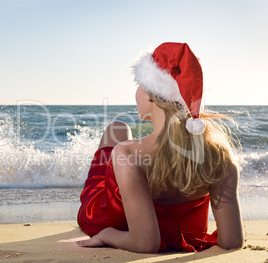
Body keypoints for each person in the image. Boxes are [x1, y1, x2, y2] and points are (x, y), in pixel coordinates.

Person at [76, 42, 245, 253]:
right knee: (119, 130)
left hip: (113, 221)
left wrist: (106, 234)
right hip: (184, 232)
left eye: (139, 84)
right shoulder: (220, 156)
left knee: (116, 129)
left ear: (149, 94)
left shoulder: (128, 154)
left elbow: (145, 243)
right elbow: (232, 241)